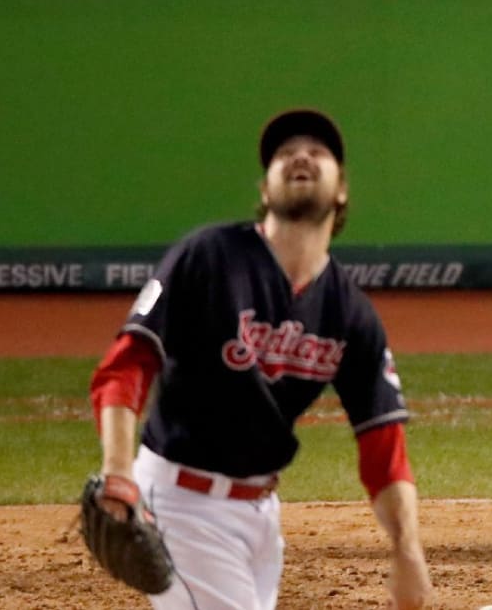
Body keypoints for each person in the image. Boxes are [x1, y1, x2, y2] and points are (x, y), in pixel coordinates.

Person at [86, 109, 432, 609]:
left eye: (318, 151)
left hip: (261, 518)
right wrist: (118, 470)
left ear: (341, 193)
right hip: (179, 504)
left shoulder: (350, 312)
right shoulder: (208, 256)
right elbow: (126, 366)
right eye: (284, 152)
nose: (300, 156)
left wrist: (407, 550)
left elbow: (384, 444)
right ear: (265, 191)